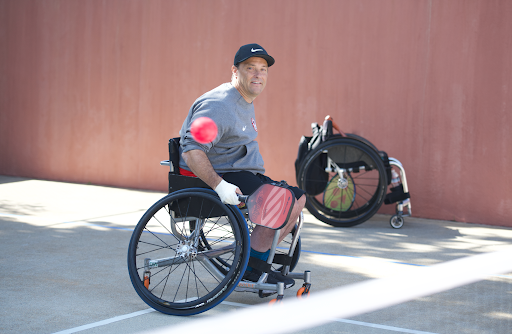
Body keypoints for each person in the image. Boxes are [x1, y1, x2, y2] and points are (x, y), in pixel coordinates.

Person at [179, 43, 306, 289]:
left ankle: (255, 259)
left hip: (242, 172)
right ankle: (251, 267)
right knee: (279, 201)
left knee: (297, 199)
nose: (258, 74)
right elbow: (192, 150)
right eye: (251, 68)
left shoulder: (244, 100)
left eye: (263, 69)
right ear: (235, 71)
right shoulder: (220, 105)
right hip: (224, 175)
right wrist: (220, 185)